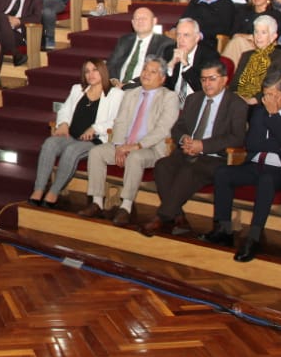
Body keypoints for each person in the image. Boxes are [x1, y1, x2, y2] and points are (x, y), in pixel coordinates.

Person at [203, 72, 281, 262]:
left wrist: (274, 116)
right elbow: (252, 143)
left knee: (267, 179)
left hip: (280, 172)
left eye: (273, 95)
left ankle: (254, 237)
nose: (267, 99)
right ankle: (223, 228)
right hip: (254, 164)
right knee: (223, 173)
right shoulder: (259, 110)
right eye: (265, 94)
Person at [142, 59, 248, 236]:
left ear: (224, 79)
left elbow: (237, 137)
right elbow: (178, 127)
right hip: (187, 150)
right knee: (162, 166)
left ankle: (162, 217)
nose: (207, 83)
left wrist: (203, 146)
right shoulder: (194, 99)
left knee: (189, 171)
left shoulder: (236, 104)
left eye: (212, 79)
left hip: (215, 158)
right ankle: (178, 216)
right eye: (203, 79)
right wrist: (184, 140)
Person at [78, 57, 179, 225]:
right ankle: (96, 202)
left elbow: (163, 129)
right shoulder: (131, 93)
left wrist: (136, 146)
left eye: (152, 72)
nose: (146, 74)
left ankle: (126, 206)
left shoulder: (169, 97)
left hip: (151, 149)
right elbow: (121, 122)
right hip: (125, 144)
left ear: (162, 78)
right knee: (96, 152)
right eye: (145, 69)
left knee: (135, 157)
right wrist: (118, 145)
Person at [28, 60, 125, 208]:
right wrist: (64, 123)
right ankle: (38, 189)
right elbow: (64, 110)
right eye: (87, 71)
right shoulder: (77, 89)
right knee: (49, 144)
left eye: (94, 70)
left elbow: (117, 120)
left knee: (71, 151)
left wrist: (95, 128)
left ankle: (54, 192)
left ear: (103, 72)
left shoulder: (115, 94)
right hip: (71, 135)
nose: (90, 74)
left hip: (95, 140)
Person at [106, 6, 173, 88]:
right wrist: (114, 80)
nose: (140, 21)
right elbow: (111, 64)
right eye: (137, 19)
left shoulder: (164, 44)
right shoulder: (125, 40)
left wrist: (128, 85)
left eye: (144, 18)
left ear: (154, 21)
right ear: (133, 23)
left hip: (141, 88)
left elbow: (157, 74)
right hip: (116, 87)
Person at [231, 15, 281, 104]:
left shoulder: (280, 57)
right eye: (256, 32)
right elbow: (234, 85)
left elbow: (272, 86)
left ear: (273, 36)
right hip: (238, 101)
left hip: (261, 103)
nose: (258, 36)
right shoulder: (246, 55)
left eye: (263, 32)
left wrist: (253, 100)